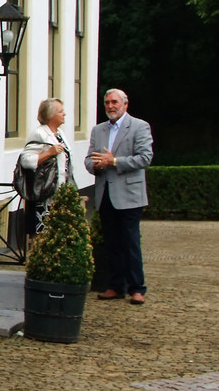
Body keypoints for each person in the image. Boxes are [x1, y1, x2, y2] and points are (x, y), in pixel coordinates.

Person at [85, 88, 154, 304]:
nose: (110, 106)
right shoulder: (98, 130)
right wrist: (95, 165)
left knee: (130, 243)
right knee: (112, 243)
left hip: (129, 194)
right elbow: (88, 159)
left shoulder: (139, 126)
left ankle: (137, 288)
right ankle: (115, 286)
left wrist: (114, 161)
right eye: (107, 102)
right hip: (105, 193)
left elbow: (145, 158)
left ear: (125, 104)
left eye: (114, 102)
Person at [19, 98, 74, 235]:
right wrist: (49, 153)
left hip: (61, 194)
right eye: (60, 111)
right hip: (45, 196)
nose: (64, 114)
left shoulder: (60, 134)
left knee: (60, 234)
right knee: (45, 234)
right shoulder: (39, 133)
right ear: (50, 115)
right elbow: (25, 160)